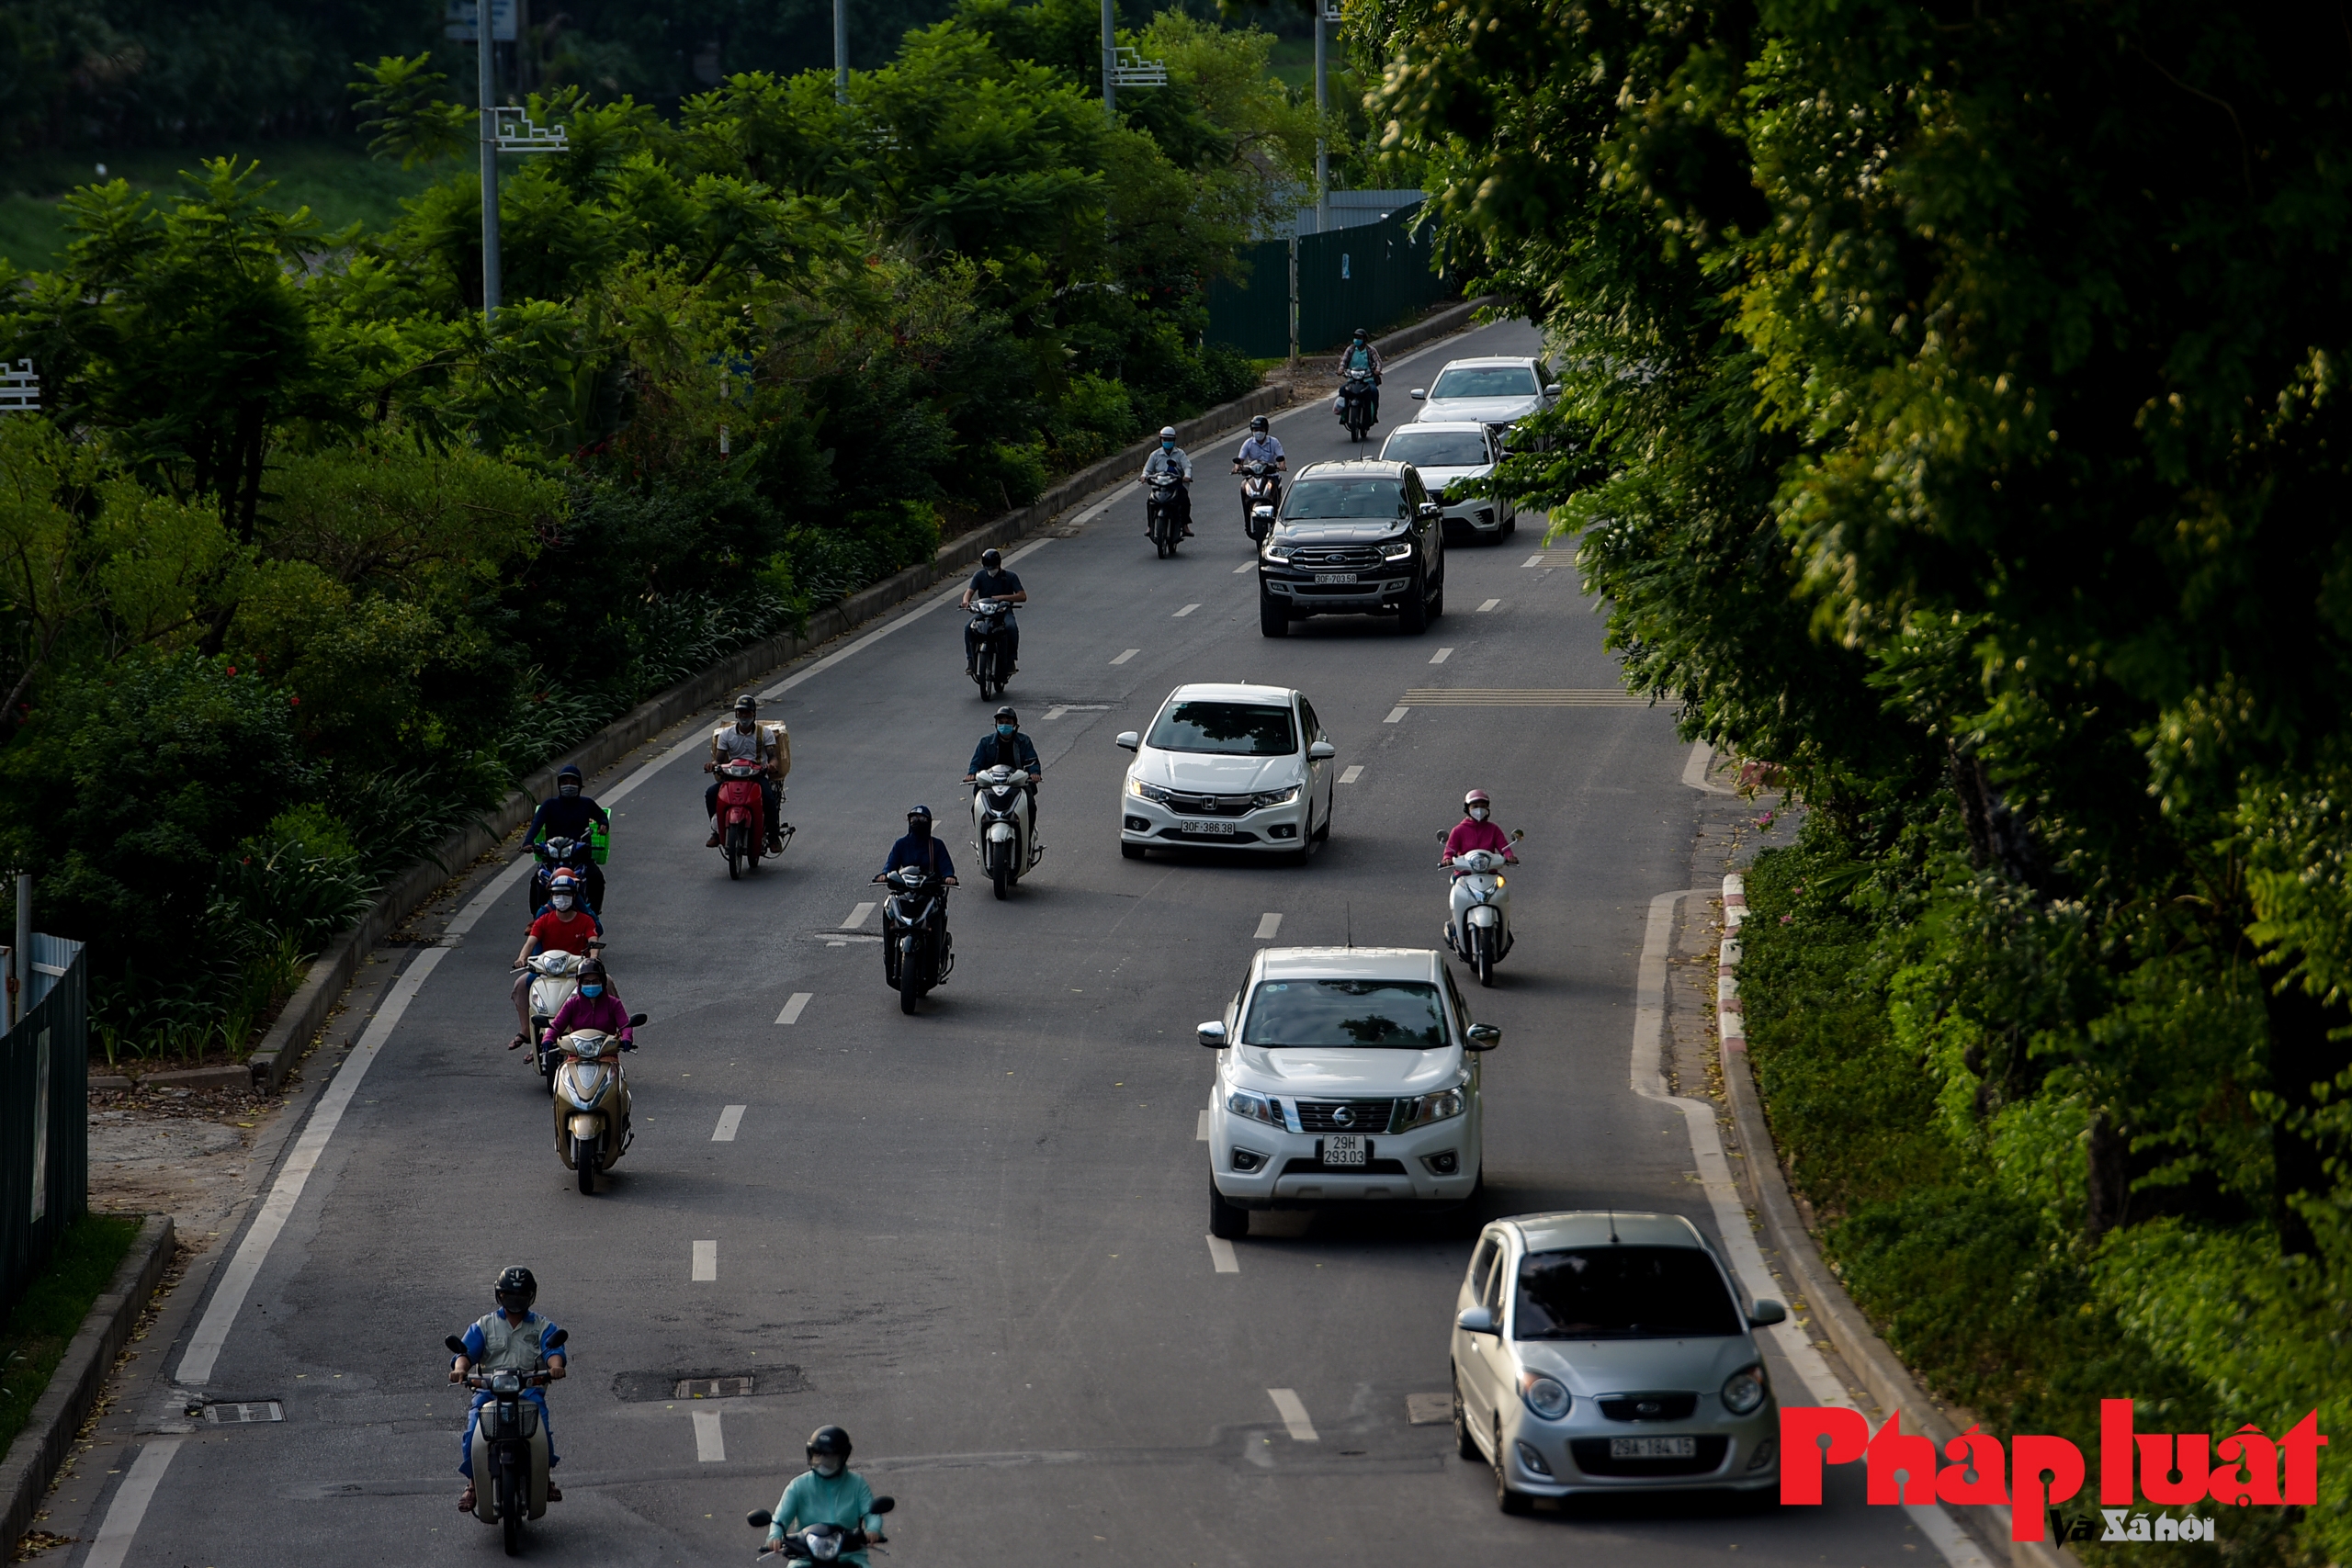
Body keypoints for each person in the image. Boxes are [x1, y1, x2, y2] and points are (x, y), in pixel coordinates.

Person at [451, 1266, 566, 1514]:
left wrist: (555, 1367)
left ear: (530, 1297)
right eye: (510, 1297)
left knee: (542, 1430)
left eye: (521, 1297)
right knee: (473, 1432)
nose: (515, 1302)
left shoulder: (542, 1326)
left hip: (527, 1391)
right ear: (500, 1296)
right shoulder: (485, 1325)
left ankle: (544, 1478)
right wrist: (461, 1369)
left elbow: (553, 1351)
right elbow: (465, 1353)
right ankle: (472, 1484)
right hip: (489, 1392)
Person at [762, 1427, 888, 1565]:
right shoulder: (798, 1485)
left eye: (829, 1456)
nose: (822, 1462)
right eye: (817, 1455)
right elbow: (780, 1518)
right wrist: (775, 1536)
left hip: (849, 1553)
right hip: (805, 1556)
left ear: (843, 1456)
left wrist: (873, 1530)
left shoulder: (857, 1484)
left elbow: (871, 1513)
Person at [508, 870, 604, 1049]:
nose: (562, 898)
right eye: (557, 894)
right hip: (548, 971)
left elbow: (593, 942)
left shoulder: (586, 920)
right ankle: (526, 1031)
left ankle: (613, 1027)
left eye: (566, 894)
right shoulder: (543, 919)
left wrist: (593, 960)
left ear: (575, 896)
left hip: (576, 971)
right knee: (521, 985)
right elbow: (530, 943)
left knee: (607, 983)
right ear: (551, 896)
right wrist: (521, 958)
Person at [704, 695, 786, 853]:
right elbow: (719, 759)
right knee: (711, 794)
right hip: (732, 775)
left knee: (769, 799)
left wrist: (771, 766)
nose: (743, 716)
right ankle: (716, 831)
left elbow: (773, 757)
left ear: (754, 714)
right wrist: (712, 766)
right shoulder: (726, 735)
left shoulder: (765, 733)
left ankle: (773, 837)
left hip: (757, 776)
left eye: (747, 713)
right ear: (736, 714)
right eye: (740, 713)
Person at [526, 763, 609, 917]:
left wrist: (604, 824)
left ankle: (593, 917)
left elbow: (601, 816)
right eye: (565, 783)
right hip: (553, 857)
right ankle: (535, 920)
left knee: (596, 879)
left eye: (573, 782)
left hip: (580, 857)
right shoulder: (549, 805)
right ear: (559, 785)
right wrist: (528, 842)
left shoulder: (587, 804)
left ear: (580, 785)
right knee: (535, 882)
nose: (568, 786)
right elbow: (536, 824)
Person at [965, 704, 1043, 840]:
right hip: (990, 786)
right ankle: (982, 841)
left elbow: (1032, 761)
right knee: (975, 809)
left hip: (1018, 785)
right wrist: (972, 773)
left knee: (1030, 807)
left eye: (1008, 722)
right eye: (1001, 722)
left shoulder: (1024, 741)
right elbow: (976, 762)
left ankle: (1026, 842)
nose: (1004, 725)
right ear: (996, 725)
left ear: (1015, 725)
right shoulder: (985, 742)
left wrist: (1034, 773)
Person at [960, 547, 1027, 677]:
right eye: (988, 568)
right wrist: (966, 601)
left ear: (999, 565)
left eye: (993, 568)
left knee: (1011, 627)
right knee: (969, 627)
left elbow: (1022, 596)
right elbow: (969, 591)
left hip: (1003, 612)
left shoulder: (1010, 577)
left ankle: (1011, 661)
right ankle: (971, 661)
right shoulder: (979, 576)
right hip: (984, 612)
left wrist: (1003, 597)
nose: (991, 571)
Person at [1440, 788, 1518, 868]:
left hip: (1490, 872)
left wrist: (1509, 856)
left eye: (1483, 806)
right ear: (1467, 809)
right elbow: (1450, 850)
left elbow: (1504, 847)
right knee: (1458, 881)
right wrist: (1447, 858)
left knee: (1501, 880)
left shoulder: (1494, 829)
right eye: (1475, 807)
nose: (1479, 810)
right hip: (1464, 872)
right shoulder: (1458, 830)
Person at [881, 805, 957, 883]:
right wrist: (885, 874)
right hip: (906, 888)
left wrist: (949, 876)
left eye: (922, 819)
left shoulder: (937, 844)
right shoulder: (901, 844)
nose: (917, 822)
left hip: (930, 889)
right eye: (914, 819)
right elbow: (892, 863)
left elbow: (945, 864)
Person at [1232, 415, 1286, 524]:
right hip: (1253, 475)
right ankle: (1247, 518)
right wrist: (1237, 467)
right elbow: (1240, 459)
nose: (1258, 432)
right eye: (1256, 430)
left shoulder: (1274, 442)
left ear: (1266, 430)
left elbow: (1281, 458)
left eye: (1261, 430)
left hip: (1270, 474)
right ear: (1252, 431)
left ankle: (1277, 513)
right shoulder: (1248, 443)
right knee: (1244, 487)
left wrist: (1281, 465)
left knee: (1276, 486)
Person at [1141, 426, 1194, 537]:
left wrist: (1187, 476)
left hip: (1176, 485)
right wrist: (1144, 476)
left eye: (1169, 440)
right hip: (1159, 486)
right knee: (1150, 502)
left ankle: (1185, 526)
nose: (1167, 442)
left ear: (1174, 440)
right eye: (1165, 439)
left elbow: (1187, 466)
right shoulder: (1155, 455)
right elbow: (1147, 469)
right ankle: (1150, 526)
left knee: (1184, 500)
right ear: (1161, 440)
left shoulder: (1180, 454)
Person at [1336, 327, 1384, 423]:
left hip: (1367, 379)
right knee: (1342, 390)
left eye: (1359, 337)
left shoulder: (1371, 350)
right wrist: (1341, 369)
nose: (1357, 340)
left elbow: (1378, 362)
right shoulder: (1350, 349)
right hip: (1352, 379)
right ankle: (1344, 414)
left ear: (1364, 339)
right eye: (1356, 337)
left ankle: (1373, 415)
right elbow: (1344, 361)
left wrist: (1377, 370)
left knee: (1374, 391)